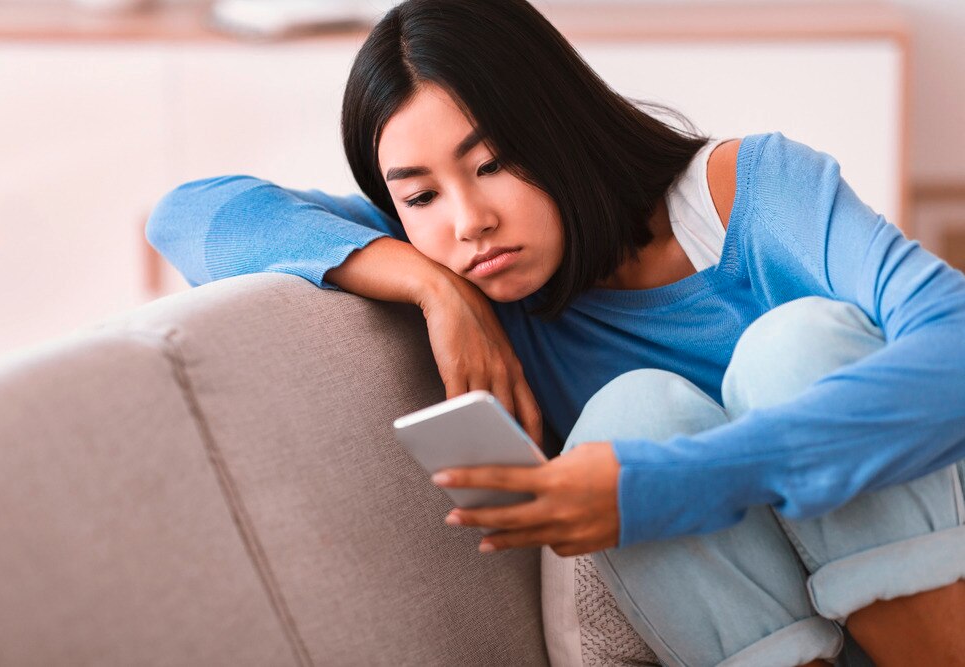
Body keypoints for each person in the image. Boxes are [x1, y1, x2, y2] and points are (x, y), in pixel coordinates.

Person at [145, 0, 965, 664]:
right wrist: (432, 288)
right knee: (629, 413)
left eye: (493, 162)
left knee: (796, 348)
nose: (469, 222)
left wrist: (669, 480)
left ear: (559, 121)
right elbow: (187, 213)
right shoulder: (463, 270)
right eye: (419, 196)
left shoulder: (747, 191)